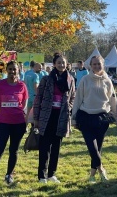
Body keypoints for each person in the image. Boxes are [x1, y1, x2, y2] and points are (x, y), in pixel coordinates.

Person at [71, 55, 117, 183]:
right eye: (94, 64)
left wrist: (116, 116)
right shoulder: (85, 80)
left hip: (102, 118)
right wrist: (73, 119)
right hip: (86, 117)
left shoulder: (108, 81)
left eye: (99, 64)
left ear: (103, 65)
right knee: (92, 147)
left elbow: (113, 100)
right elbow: (78, 100)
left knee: (98, 148)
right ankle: (102, 170)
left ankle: (92, 175)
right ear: (90, 66)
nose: (97, 66)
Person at [0, 60, 28, 188]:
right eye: (10, 69)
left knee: (13, 150)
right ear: (6, 70)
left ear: (18, 71)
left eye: (14, 69)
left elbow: (25, 104)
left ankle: (9, 175)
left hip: (18, 123)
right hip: (3, 123)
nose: (12, 71)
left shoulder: (22, 86)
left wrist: (24, 120)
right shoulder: (0, 84)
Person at [33, 53, 75, 184]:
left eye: (63, 62)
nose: (61, 65)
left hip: (61, 116)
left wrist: (69, 106)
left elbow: (73, 96)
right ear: (54, 64)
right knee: (45, 146)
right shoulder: (47, 79)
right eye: (59, 62)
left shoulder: (70, 79)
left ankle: (52, 173)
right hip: (47, 116)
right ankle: (42, 175)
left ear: (66, 64)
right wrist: (36, 118)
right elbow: (38, 98)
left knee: (56, 146)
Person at [24, 61, 40, 125]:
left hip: (28, 95)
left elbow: (24, 84)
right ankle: (34, 127)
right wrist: (38, 95)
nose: (40, 70)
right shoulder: (35, 75)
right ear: (35, 67)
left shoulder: (27, 73)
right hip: (34, 96)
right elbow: (35, 86)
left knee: (27, 112)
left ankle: (25, 127)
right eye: (39, 68)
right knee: (35, 112)